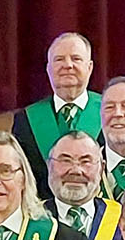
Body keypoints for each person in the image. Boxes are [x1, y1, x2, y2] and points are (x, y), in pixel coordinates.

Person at [12, 32, 101, 194]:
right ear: (48, 69)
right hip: (43, 213)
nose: (68, 65)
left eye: (76, 59)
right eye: (59, 59)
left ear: (90, 67)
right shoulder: (26, 119)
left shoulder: (108, 112)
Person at [45, 130, 125, 240]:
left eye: (86, 162)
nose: (76, 170)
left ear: (101, 169)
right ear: (49, 166)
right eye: (65, 161)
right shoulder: (33, 218)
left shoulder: (124, 219)